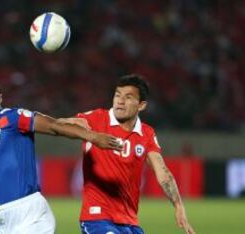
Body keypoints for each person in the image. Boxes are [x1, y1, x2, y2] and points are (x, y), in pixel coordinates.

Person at [0, 75, 122, 234]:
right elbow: (2, 180)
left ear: (0, 98)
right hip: (2, 218)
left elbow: (52, 127)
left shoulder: (12, 117)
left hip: (30, 215)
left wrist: (94, 137)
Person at [62, 74, 195, 234]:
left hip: (130, 222)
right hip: (97, 218)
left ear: (141, 105)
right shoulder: (96, 119)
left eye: (128, 97)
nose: (120, 101)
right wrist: (31, 121)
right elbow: (60, 126)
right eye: (117, 95)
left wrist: (178, 206)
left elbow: (163, 172)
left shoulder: (146, 133)